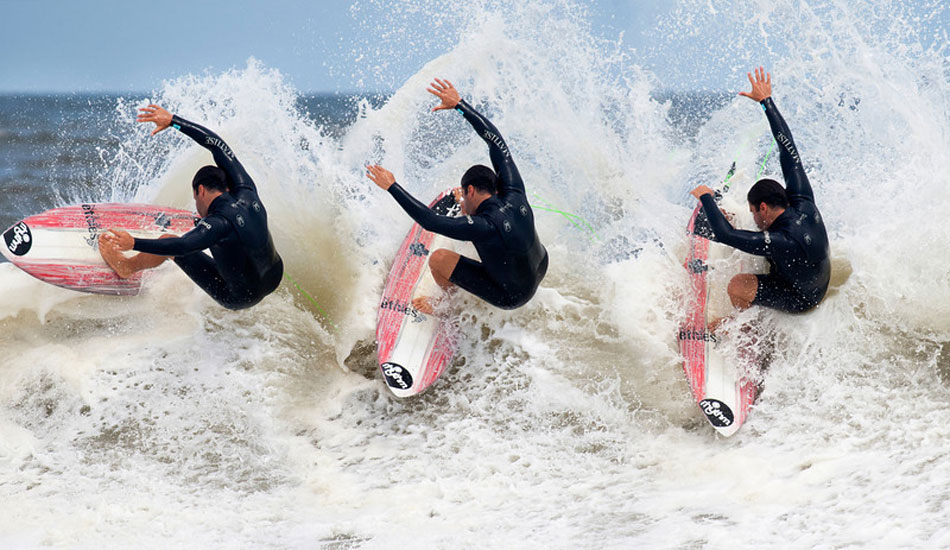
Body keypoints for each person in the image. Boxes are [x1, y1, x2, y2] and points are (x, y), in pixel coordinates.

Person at [366, 79, 548, 311]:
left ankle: (446, 306)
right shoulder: (514, 191)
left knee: (439, 259)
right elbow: (497, 143)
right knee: (485, 226)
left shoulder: (484, 226)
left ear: (471, 190)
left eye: (464, 192)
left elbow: (430, 222)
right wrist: (460, 104)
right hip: (541, 266)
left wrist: (392, 186)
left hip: (513, 296)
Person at [99, 105, 283, 310]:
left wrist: (133, 242)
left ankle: (127, 267)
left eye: (195, 197)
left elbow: (183, 246)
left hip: (241, 296)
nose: (196, 204)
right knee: (228, 243)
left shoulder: (219, 223)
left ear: (201, 190)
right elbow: (218, 146)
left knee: (168, 241)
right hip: (274, 277)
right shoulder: (247, 191)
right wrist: (173, 121)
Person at [689, 67, 830, 315]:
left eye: (754, 211)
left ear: (763, 206)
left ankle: (742, 333)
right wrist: (766, 102)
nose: (754, 215)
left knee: (738, 285)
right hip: (810, 271)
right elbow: (789, 149)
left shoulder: (782, 241)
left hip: (802, 298)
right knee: (745, 226)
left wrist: (706, 197)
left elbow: (725, 235)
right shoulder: (801, 199)